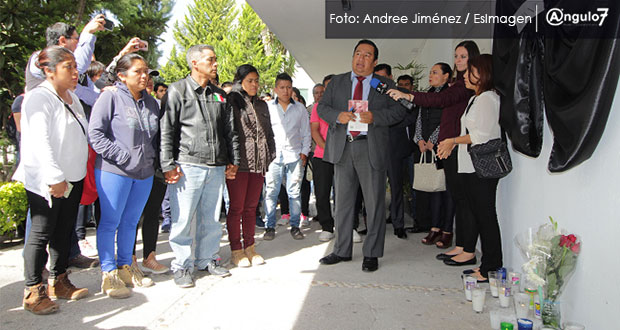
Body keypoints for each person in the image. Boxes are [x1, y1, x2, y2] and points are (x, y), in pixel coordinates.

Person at [317, 40, 409, 272]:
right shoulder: (337, 82)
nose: (361, 58)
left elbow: (399, 110)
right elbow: (321, 108)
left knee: (375, 204)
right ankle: (341, 250)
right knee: (343, 204)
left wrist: (375, 117)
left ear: (374, 61)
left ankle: (372, 253)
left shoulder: (383, 84)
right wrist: (339, 116)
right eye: (358, 53)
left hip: (371, 148)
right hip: (344, 148)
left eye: (367, 55)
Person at [388, 40, 480, 267]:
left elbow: (439, 101)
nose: (459, 60)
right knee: (457, 198)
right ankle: (461, 246)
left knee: (460, 200)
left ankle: (467, 248)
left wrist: (408, 96)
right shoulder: (459, 84)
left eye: (463, 57)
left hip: (456, 146)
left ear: (474, 59)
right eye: (456, 56)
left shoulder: (464, 87)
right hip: (447, 146)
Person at [14, 46, 90, 314]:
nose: (74, 71)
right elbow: (39, 142)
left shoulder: (72, 97)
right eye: (67, 66)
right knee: (41, 232)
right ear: (48, 71)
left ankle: (59, 280)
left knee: (63, 230)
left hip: (72, 178)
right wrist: (55, 177)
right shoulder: (37, 98)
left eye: (74, 66)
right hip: (48, 180)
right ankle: (33, 291)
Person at [160, 44, 240, 288]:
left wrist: (233, 160)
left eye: (215, 59)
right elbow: (166, 130)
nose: (215, 64)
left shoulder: (220, 95)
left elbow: (230, 132)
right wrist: (167, 164)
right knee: (183, 219)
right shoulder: (177, 90)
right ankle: (182, 266)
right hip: (188, 164)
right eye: (210, 60)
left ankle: (207, 259)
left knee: (212, 218)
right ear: (194, 63)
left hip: (216, 166)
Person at [89, 53, 160, 298]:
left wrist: (149, 161)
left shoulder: (150, 102)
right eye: (137, 71)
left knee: (131, 222)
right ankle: (109, 274)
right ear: (121, 75)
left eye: (146, 71)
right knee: (110, 222)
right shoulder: (109, 97)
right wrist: (122, 156)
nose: (144, 76)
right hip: (114, 170)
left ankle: (125, 267)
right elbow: (96, 134)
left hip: (144, 172)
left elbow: (154, 137)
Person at [437, 54, 503, 281]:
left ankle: (490, 268)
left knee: (486, 216)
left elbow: (481, 135)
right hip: (471, 166)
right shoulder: (477, 98)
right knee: (479, 214)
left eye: (470, 71)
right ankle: (487, 265)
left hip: (481, 168)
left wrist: (453, 140)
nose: (464, 75)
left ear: (482, 74)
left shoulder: (487, 98)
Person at [225, 64, 276, 267]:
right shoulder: (232, 101)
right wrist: (231, 161)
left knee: (251, 208)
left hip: (259, 164)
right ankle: (236, 250)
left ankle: (250, 247)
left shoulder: (263, 105)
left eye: (256, 80)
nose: (254, 84)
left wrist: (271, 154)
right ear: (240, 82)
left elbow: (269, 133)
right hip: (239, 164)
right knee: (236, 208)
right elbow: (229, 133)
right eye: (250, 81)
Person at [262, 73, 311, 241]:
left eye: (288, 87)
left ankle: (295, 226)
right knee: (271, 192)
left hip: (295, 155)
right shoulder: (268, 107)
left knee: (294, 192)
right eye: (282, 87)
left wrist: (304, 152)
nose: (285, 91)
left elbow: (306, 132)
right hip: (273, 157)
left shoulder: (300, 108)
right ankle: (269, 226)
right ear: (276, 89)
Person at [415, 63, 456, 249]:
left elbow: (448, 120)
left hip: (445, 147)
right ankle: (435, 227)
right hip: (428, 148)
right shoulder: (428, 94)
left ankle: (447, 231)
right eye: (430, 72)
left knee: (447, 190)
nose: (430, 75)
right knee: (434, 189)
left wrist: (433, 140)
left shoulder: (451, 95)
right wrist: (420, 140)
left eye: (435, 72)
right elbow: (419, 119)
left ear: (446, 76)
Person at [373, 64, 412, 239]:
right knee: (373, 189)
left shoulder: (399, 94)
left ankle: (398, 224)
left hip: (395, 148)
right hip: (374, 147)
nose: (380, 81)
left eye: (383, 77)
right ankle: (373, 224)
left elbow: (408, 115)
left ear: (390, 77)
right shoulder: (371, 94)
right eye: (377, 78)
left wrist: (387, 119)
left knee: (396, 187)